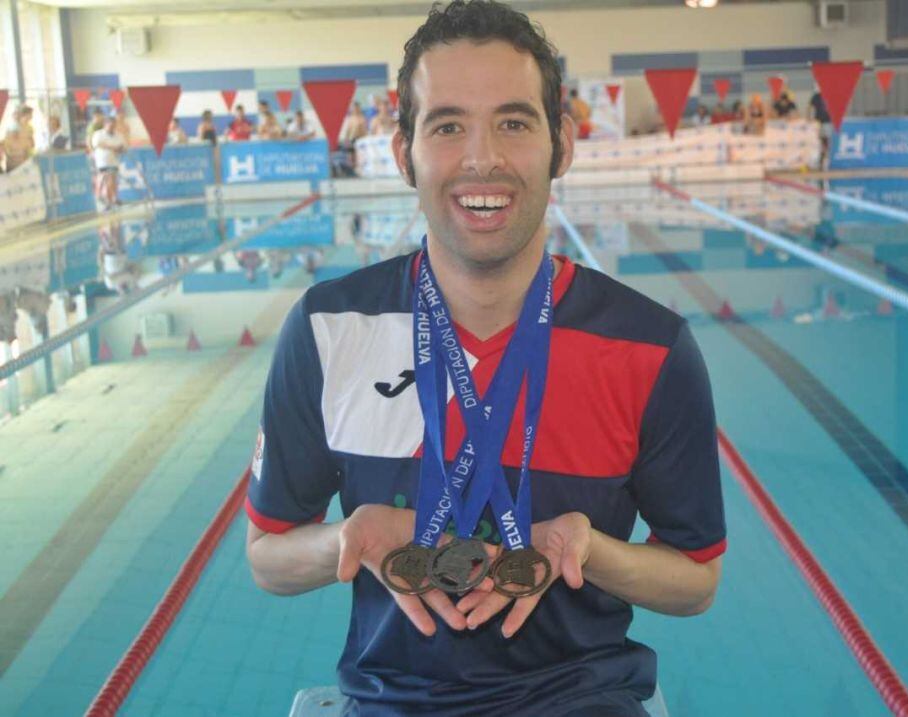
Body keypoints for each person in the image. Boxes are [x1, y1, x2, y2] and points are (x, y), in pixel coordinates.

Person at [245, 2, 726, 716]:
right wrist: (351, 537)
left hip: (584, 698)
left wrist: (587, 549)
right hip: (390, 701)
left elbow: (696, 578)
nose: (482, 159)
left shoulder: (649, 348)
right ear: (404, 149)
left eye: (513, 122)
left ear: (560, 143)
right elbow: (268, 555)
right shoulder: (329, 328)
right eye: (447, 126)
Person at [91, 113, 126, 209]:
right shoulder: (98, 134)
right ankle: (108, 200)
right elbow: (98, 144)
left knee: (113, 180)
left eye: (114, 125)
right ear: (105, 125)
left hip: (114, 160)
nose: (112, 127)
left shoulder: (118, 135)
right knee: (107, 179)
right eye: (110, 125)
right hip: (102, 162)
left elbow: (122, 147)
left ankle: (114, 198)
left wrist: (119, 149)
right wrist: (113, 147)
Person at [3, 105, 36, 171]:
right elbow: (8, 147)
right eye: (30, 114)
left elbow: (32, 144)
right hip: (15, 163)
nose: (32, 117)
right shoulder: (13, 127)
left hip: (25, 161)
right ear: (25, 114)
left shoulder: (29, 127)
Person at [807, 87, 832, 169]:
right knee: (819, 141)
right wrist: (808, 117)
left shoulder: (830, 94)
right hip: (818, 122)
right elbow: (810, 106)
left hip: (828, 122)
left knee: (827, 140)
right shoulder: (817, 96)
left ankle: (826, 159)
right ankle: (820, 160)